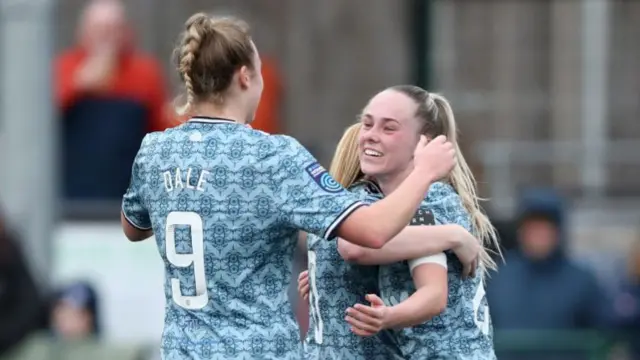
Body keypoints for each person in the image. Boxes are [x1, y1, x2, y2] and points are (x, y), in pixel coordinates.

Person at [119, 13, 456, 360]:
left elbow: (133, 227)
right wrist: (424, 173)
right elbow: (372, 230)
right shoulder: (273, 157)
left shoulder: (155, 150)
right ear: (244, 76)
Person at [301, 86, 499, 359]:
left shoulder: (430, 198)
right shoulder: (375, 202)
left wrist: (387, 316)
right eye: (367, 124)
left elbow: (358, 247)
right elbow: (355, 245)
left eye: (389, 128)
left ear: (422, 144)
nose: (371, 135)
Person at [56, 0, 170, 200]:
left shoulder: (145, 73)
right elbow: (36, 125)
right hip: (71, 197)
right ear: (82, 33)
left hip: (127, 195)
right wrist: (78, 86)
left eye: (113, 29)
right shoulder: (64, 68)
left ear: (126, 33)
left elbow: (161, 131)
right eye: (99, 29)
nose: (106, 37)